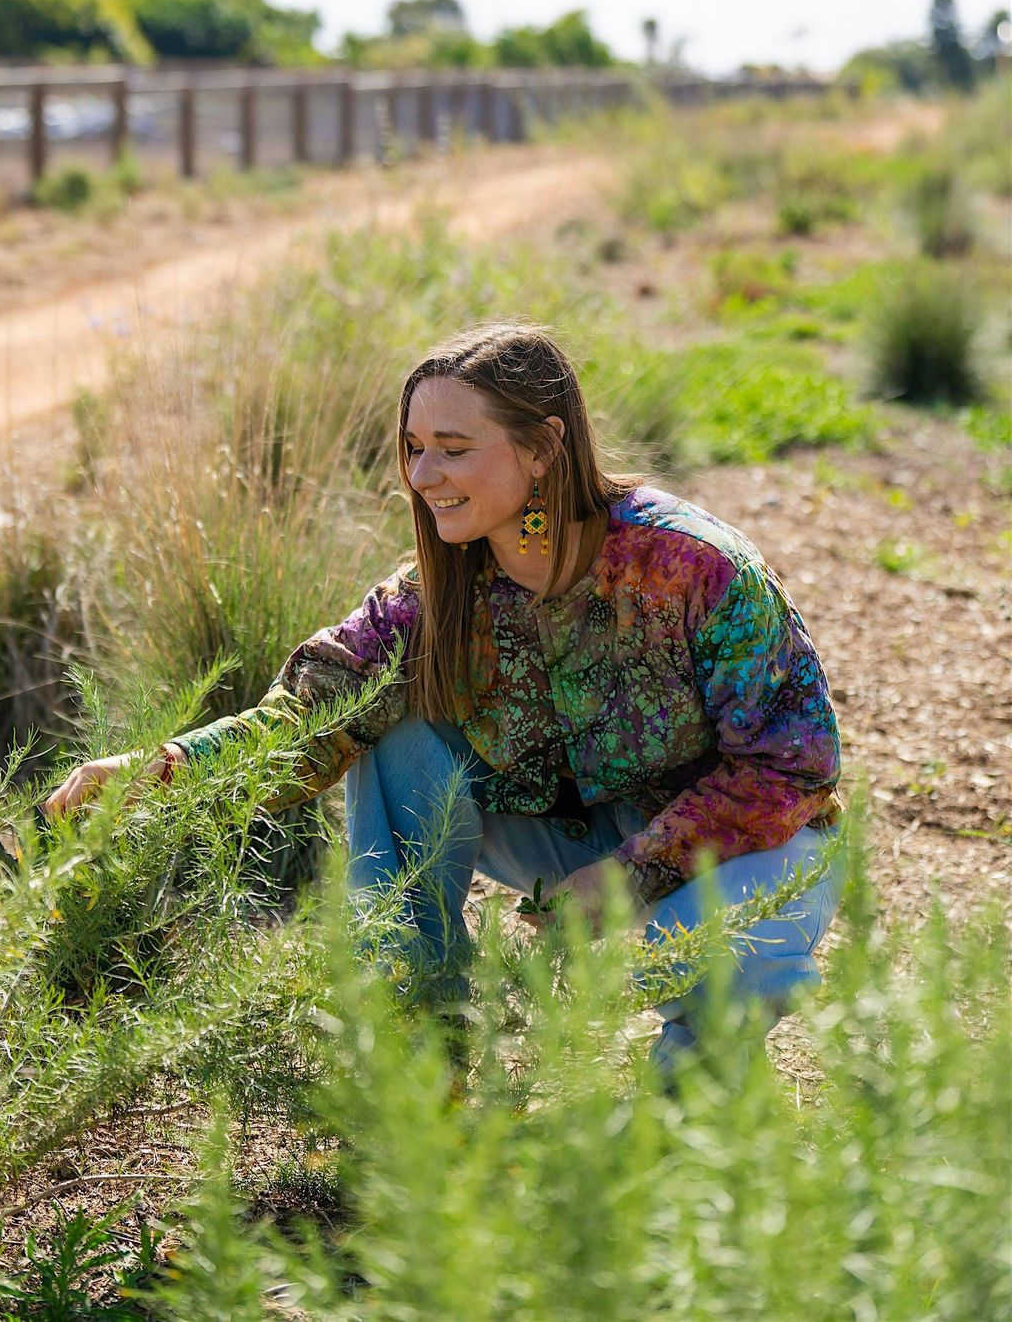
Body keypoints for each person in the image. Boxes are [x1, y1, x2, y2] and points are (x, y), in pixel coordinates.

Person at [45, 323, 844, 1079]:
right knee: (387, 736)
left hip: (741, 841)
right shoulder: (437, 590)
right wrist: (165, 767)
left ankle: (694, 1122)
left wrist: (625, 877)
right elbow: (309, 719)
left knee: (718, 958)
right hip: (561, 833)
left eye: (454, 450)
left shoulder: (695, 568)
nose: (423, 478)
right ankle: (427, 1047)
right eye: (415, 449)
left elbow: (792, 767)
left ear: (542, 449)